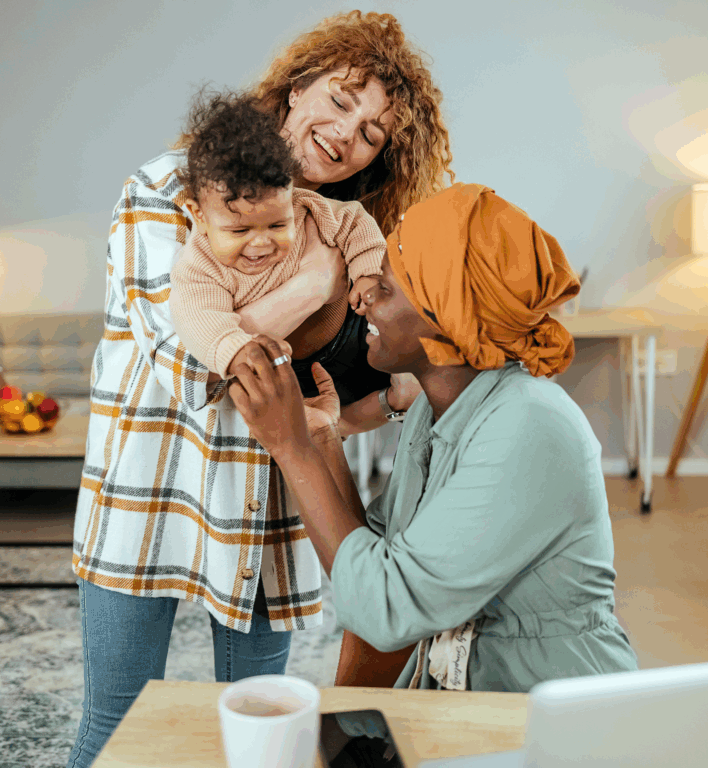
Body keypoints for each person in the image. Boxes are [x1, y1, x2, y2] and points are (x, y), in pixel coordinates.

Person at [68, 11, 452, 768]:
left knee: (261, 734)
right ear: (299, 84)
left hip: (265, 508)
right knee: (114, 726)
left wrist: (376, 399)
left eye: (373, 132)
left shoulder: (346, 229)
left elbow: (338, 397)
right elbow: (183, 364)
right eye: (342, 101)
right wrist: (312, 283)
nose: (348, 134)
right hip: (145, 494)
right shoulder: (165, 186)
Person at [226, 183, 639, 764]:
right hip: (460, 717)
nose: (362, 295)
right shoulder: (434, 408)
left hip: (555, 733)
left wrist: (290, 446)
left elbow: (386, 609)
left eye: (387, 283)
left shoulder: (530, 424)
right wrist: (321, 440)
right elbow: (379, 554)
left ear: (449, 317)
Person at [169, 90, 389, 404]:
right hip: (277, 373)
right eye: (240, 229)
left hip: (333, 356)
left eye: (276, 225)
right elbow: (201, 320)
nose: (260, 243)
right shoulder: (199, 267)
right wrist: (239, 352)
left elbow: (355, 221)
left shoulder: (306, 208)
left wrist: (367, 273)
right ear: (199, 216)